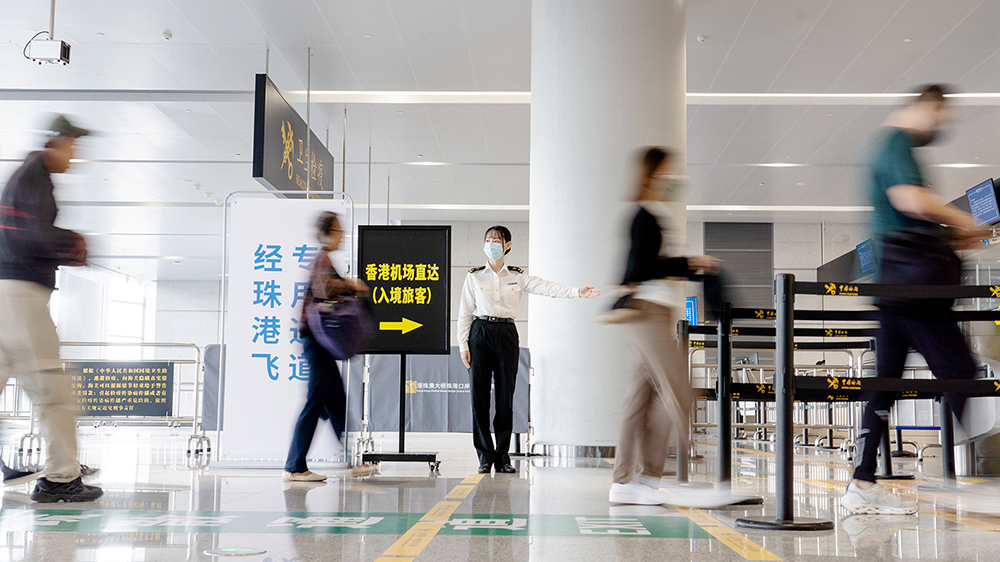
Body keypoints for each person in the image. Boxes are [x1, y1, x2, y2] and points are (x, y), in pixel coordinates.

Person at [841, 85, 988, 515]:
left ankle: (862, 483)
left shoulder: (887, 145)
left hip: (895, 284)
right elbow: (909, 199)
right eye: (940, 114)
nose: (942, 124)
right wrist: (965, 219)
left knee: (884, 387)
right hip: (913, 287)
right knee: (959, 371)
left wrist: (952, 235)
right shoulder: (897, 142)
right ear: (927, 105)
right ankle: (965, 475)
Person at [608, 147, 720, 506]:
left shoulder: (653, 213)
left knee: (641, 398)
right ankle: (642, 478)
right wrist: (688, 263)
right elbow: (640, 268)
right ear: (652, 175)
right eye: (668, 174)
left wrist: (686, 264)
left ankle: (630, 482)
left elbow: (644, 264)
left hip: (655, 311)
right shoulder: (643, 215)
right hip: (646, 311)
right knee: (680, 390)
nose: (674, 180)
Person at [0, 115, 102, 502]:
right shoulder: (34, 176)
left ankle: (61, 472)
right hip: (21, 296)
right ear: (56, 143)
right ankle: (61, 478)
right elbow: (32, 235)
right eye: (73, 147)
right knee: (52, 391)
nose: (74, 157)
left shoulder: (28, 177)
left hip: (7, 292)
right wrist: (72, 244)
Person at [458, 226, 600, 474]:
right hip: (480, 333)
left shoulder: (517, 276)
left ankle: (502, 456)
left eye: (497, 240)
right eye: (488, 240)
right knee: (478, 398)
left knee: (505, 398)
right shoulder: (474, 277)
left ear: (508, 245)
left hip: (507, 334)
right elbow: (465, 314)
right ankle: (484, 455)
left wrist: (577, 292)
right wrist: (463, 345)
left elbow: (545, 287)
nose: (491, 244)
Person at [283, 212, 375, 482]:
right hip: (316, 341)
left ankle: (349, 462)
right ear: (326, 233)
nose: (341, 236)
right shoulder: (321, 259)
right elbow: (325, 289)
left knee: (335, 402)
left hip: (319, 341)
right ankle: (295, 466)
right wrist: (352, 284)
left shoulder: (325, 259)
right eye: (338, 231)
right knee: (315, 401)